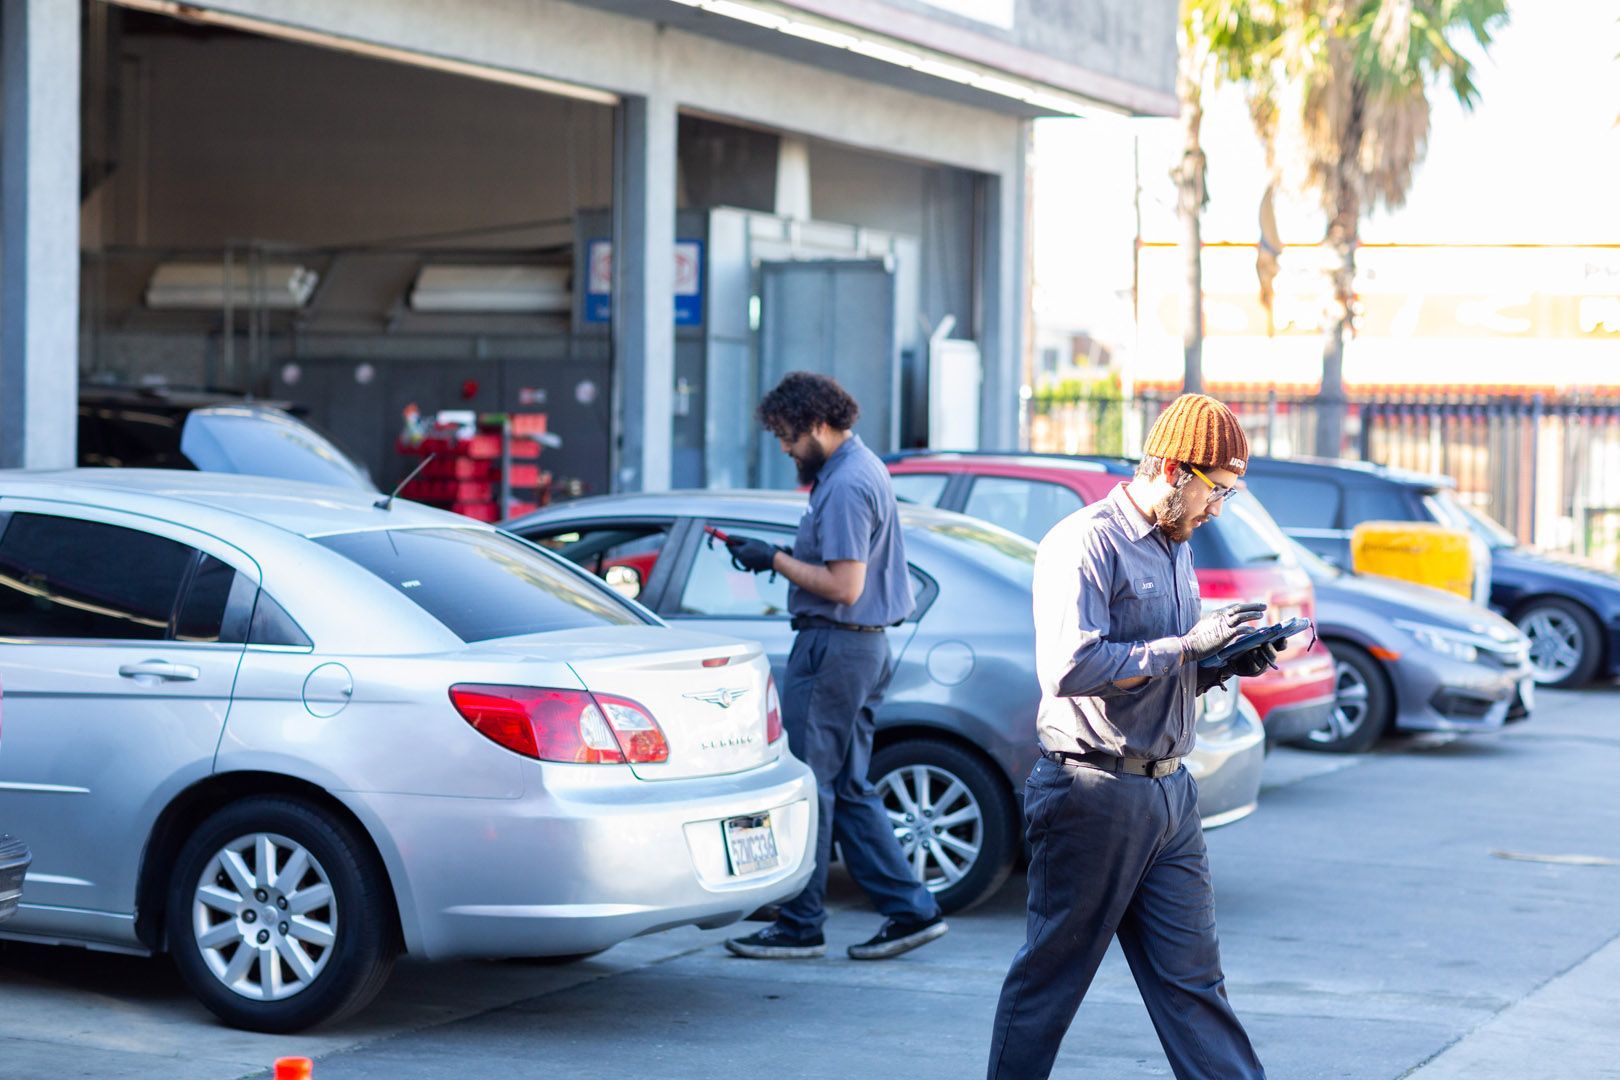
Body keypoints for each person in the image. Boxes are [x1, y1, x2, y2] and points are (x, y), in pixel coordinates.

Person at [985, 393, 1279, 1079]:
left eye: (1230, 495)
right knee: (1050, 985)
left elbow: (1158, 666)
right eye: (1217, 491)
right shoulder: (1085, 542)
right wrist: (1184, 647)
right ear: (1173, 469)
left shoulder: (1176, 546)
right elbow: (1069, 666)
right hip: (1092, 793)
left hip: (1170, 794)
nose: (1217, 510)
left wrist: (1216, 663)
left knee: (1195, 988)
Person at [722, 371, 947, 962]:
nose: (785, 449)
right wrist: (777, 558)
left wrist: (772, 558)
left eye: (789, 436)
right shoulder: (859, 469)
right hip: (859, 649)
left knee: (810, 784)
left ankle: (801, 923)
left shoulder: (845, 484)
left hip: (836, 647)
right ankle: (911, 908)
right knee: (847, 785)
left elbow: (844, 586)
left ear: (818, 424)